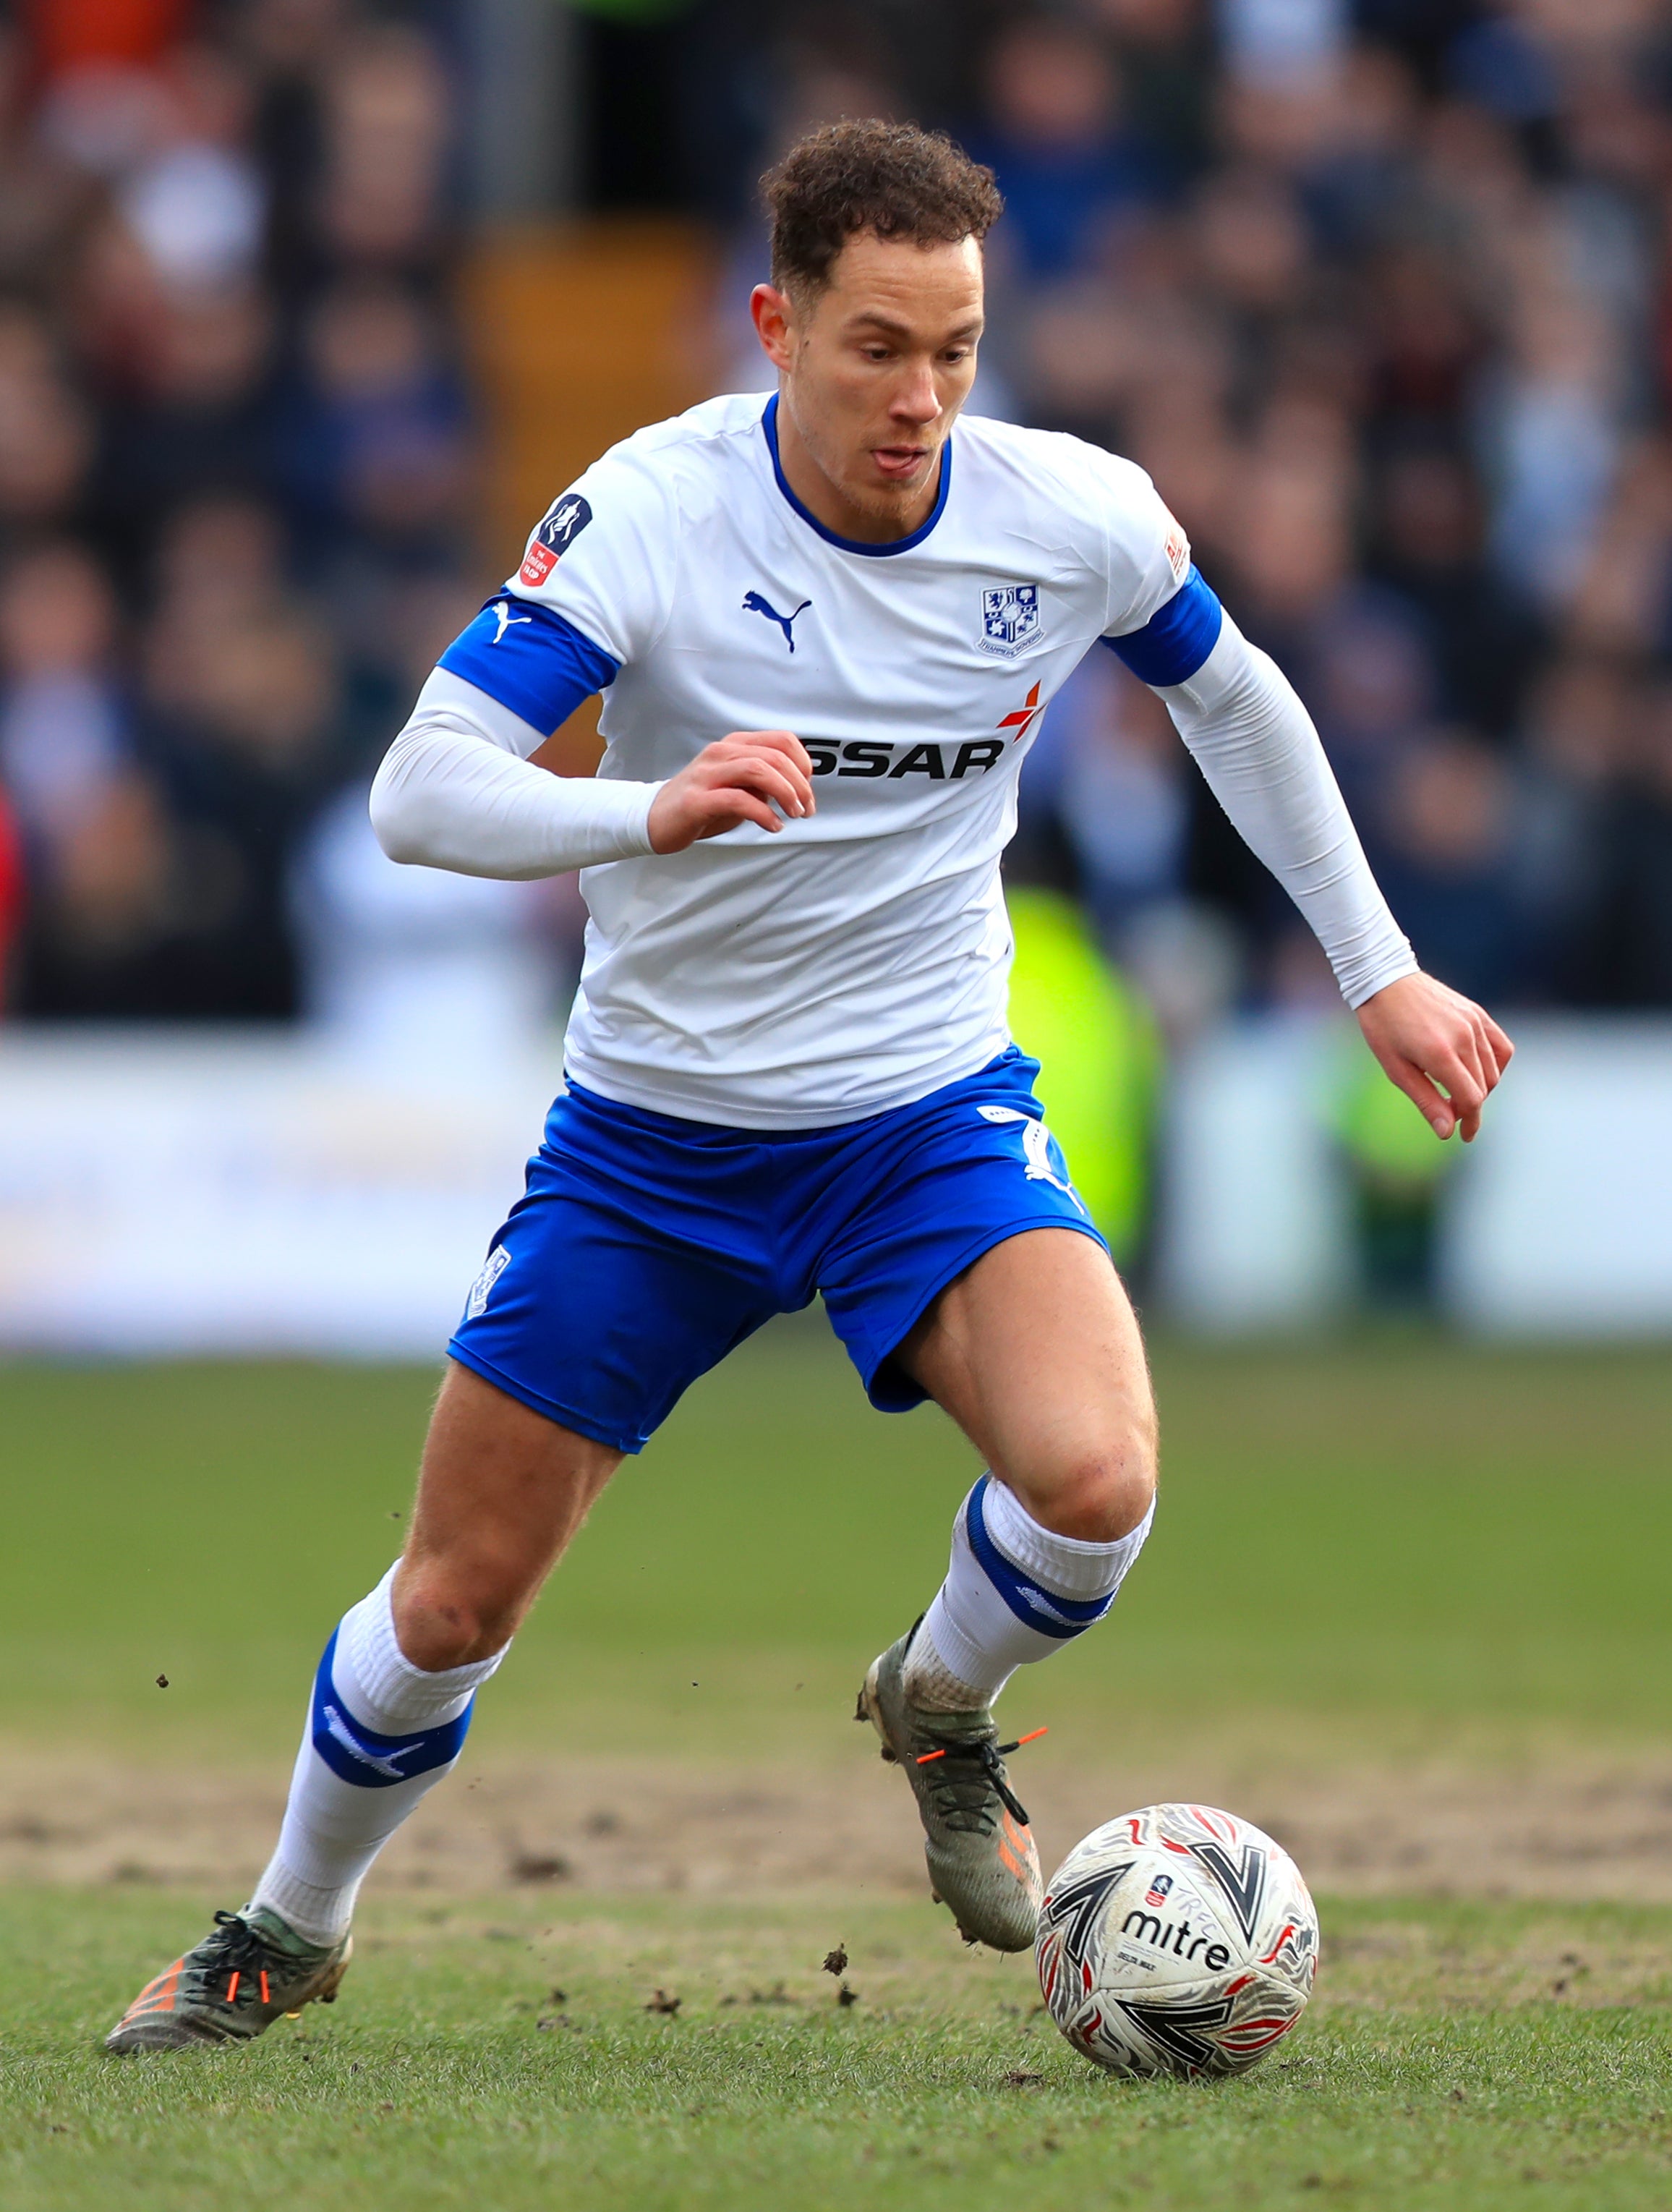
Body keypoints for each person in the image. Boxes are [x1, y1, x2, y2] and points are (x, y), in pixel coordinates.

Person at [106, 120, 1511, 2051]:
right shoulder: (655, 513)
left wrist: (1382, 972)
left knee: (1097, 1484)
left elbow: (1233, 690)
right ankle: (295, 1916)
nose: (921, 395)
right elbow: (418, 789)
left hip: (919, 1111)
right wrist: (647, 804)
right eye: (876, 346)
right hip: (654, 1141)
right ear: (776, 325)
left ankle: (938, 1702)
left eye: (955, 347)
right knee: (451, 1603)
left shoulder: (1066, 511)